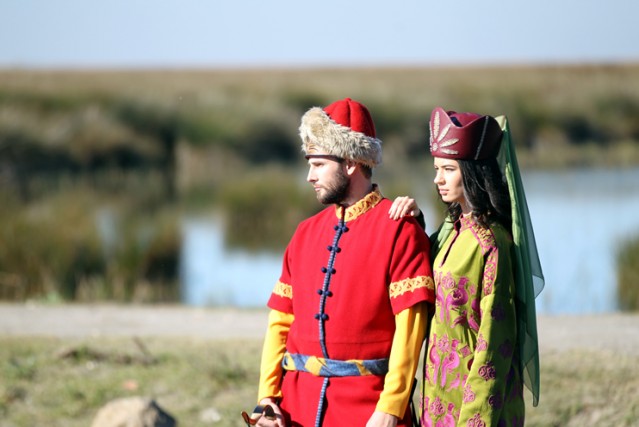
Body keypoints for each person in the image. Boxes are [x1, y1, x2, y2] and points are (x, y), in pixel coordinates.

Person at [254, 98, 436, 427]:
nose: (309, 176)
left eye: (318, 165)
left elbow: (411, 329)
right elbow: (280, 321)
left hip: (370, 411)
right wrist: (267, 398)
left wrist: (391, 407)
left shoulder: (400, 230)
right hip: (295, 409)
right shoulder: (304, 233)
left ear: (351, 162)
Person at [389, 107, 544, 426]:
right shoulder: (453, 232)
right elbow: (426, 272)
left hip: (473, 404)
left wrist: (474, 419)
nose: (438, 179)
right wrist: (414, 223)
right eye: (436, 168)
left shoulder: (491, 243)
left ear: (473, 173)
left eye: (448, 169)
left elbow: (494, 342)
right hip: (437, 396)